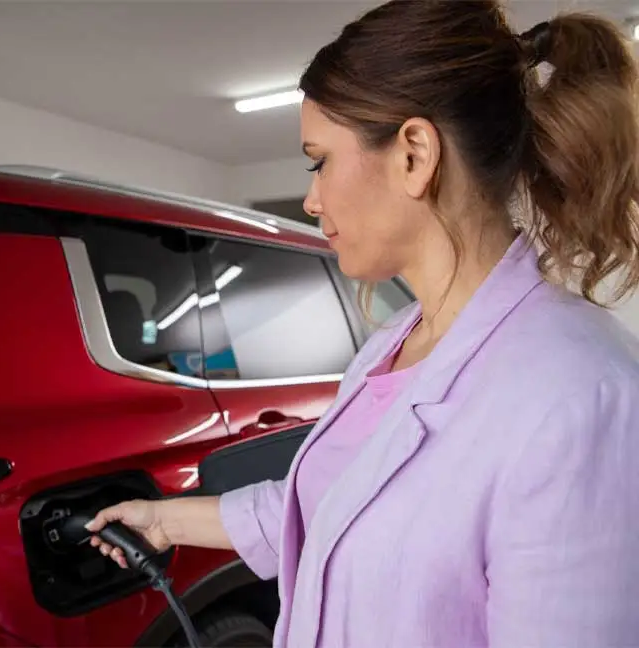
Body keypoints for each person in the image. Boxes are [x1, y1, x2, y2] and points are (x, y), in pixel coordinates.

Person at [85, 1, 639, 646]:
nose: (311, 197)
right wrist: (164, 520)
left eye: (318, 160)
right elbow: (329, 505)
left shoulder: (579, 395)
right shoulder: (393, 344)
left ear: (413, 154)